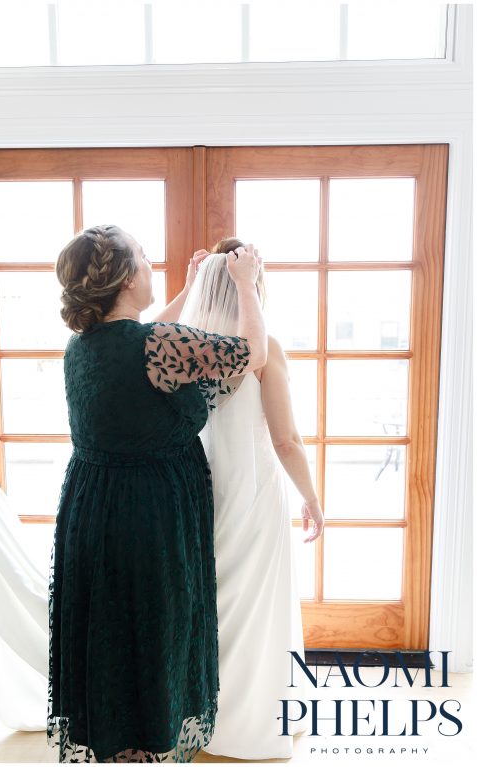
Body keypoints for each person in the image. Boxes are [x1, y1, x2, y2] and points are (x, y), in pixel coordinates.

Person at [49, 224, 267, 763]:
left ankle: (120, 752)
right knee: (154, 642)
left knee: (111, 643)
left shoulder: (82, 346)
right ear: (125, 278)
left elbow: (144, 340)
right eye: (144, 259)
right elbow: (253, 353)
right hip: (148, 515)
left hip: (92, 510)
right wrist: (244, 285)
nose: (152, 266)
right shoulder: (156, 345)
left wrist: (187, 291)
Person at [179, 237, 324, 759]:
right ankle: (257, 720)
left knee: (212, 609)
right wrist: (311, 495)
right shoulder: (263, 348)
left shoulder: (185, 343)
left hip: (201, 493)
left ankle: (203, 724)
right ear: (252, 283)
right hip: (255, 493)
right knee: (258, 611)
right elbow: (285, 440)